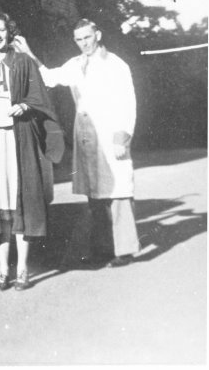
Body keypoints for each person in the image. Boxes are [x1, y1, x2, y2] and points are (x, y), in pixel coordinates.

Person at [14, 19, 140, 267]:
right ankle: (103, 247)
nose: (84, 43)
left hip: (109, 135)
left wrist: (121, 137)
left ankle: (124, 250)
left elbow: (128, 103)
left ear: (98, 34)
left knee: (118, 192)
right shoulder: (76, 64)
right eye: (79, 39)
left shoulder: (115, 65)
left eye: (87, 37)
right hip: (87, 137)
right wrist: (29, 53)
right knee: (95, 194)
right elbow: (50, 78)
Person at [0, 12, 57, 291]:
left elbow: (40, 98)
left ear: (9, 33)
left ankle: (22, 269)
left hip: (20, 138)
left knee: (22, 202)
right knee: (0, 204)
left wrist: (25, 106)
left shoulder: (23, 62)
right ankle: (2, 271)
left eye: (1, 30)